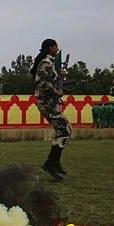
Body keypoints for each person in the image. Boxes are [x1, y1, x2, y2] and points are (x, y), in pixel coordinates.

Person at [30, 38, 71, 180]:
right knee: (65, 130)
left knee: (64, 130)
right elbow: (41, 83)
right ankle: (51, 163)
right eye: (55, 46)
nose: (57, 49)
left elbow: (49, 80)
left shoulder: (49, 63)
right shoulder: (46, 63)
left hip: (50, 103)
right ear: (50, 48)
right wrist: (56, 91)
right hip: (46, 103)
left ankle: (54, 162)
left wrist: (60, 77)